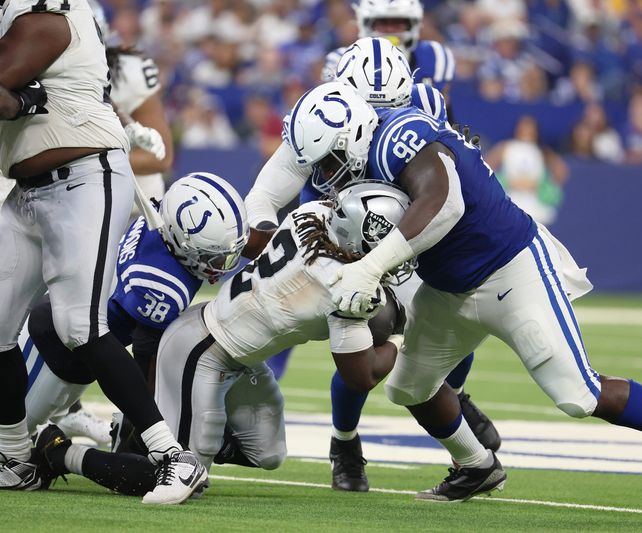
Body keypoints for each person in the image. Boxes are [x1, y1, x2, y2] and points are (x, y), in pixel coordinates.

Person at [286, 81, 642, 506]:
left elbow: (445, 205)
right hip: (448, 286)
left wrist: (370, 267)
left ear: (353, 132)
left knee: (579, 394)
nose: (326, 174)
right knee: (409, 387)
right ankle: (476, 466)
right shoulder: (361, 157)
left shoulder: (398, 135)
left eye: (328, 160)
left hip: (509, 268)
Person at [34, 181, 408, 497]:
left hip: (239, 354)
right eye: (392, 240)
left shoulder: (309, 216)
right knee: (174, 477)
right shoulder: (344, 286)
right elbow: (362, 377)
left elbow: (260, 241)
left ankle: (177, 436)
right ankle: (58, 451)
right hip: (199, 349)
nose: (398, 251)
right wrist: (399, 332)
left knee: (268, 453)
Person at [245, 40, 499, 493]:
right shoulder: (324, 113)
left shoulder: (423, 109)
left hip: (404, 239)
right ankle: (345, 443)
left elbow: (447, 184)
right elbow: (265, 195)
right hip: (338, 239)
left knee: (454, 329)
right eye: (366, 108)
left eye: (390, 109)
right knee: (365, 347)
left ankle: (461, 418)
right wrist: (275, 236)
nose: (378, 121)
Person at [0, 0, 205, 504]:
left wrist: (19, 103)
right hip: (29, 189)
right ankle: (15, 457)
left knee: (79, 327)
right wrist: (22, 103)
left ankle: (173, 458)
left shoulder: (45, 17)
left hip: (85, 179)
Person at [22, 172, 248, 453]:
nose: (220, 264)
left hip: (78, 330)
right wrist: (141, 423)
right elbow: (143, 359)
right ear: (182, 242)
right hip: (57, 347)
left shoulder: (159, 220)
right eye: (211, 256)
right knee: (15, 433)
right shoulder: (161, 282)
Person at [323, 0, 455, 98]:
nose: (390, 31)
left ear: (413, 25)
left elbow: (443, 116)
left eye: (398, 23)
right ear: (366, 25)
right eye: (382, 23)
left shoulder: (435, 56)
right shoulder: (341, 61)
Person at [485, 115, 568, 226]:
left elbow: (561, 172)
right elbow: (485, 166)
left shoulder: (542, 151)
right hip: (510, 197)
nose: (526, 131)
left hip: (535, 201)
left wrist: (541, 184)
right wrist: (506, 181)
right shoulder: (506, 147)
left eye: (530, 128)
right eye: (523, 127)